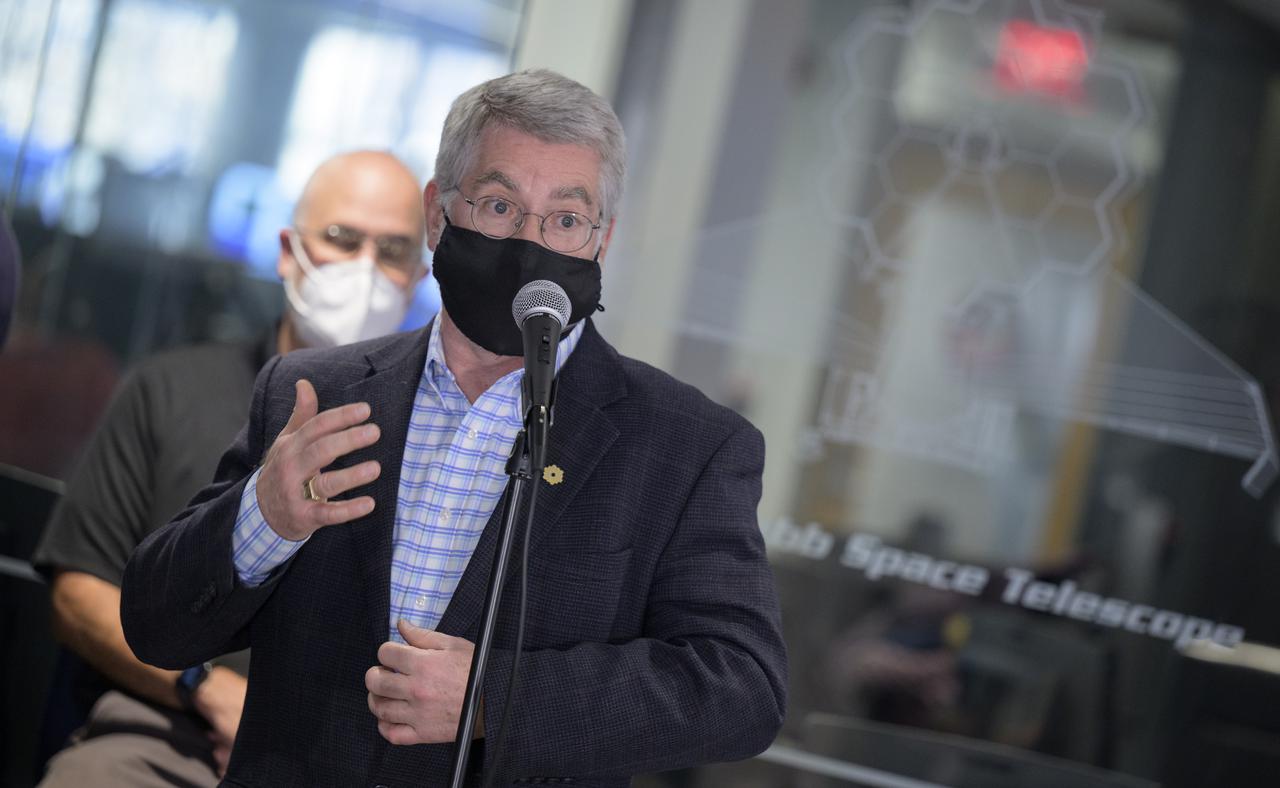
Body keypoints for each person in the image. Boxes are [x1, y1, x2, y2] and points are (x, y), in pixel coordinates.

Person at [121, 69, 787, 787]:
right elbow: (157, 625)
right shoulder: (314, 391)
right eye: (500, 206)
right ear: (439, 215)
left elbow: (739, 687)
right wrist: (264, 518)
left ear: (602, 240)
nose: (532, 243)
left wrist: (491, 700)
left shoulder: (686, 447)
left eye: (565, 219)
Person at [33, 150, 427, 787]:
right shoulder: (172, 390)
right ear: (286, 250)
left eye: (394, 251)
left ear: (419, 275)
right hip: (168, 733)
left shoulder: (429, 441)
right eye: (341, 238)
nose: (365, 270)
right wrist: (206, 690)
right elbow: (79, 592)